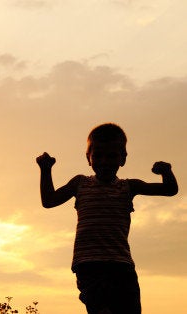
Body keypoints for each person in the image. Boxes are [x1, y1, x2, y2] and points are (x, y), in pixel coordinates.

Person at [36, 123, 178, 314]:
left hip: (122, 265)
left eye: (112, 156)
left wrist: (166, 172)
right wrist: (45, 170)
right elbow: (49, 200)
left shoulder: (129, 187)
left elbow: (169, 190)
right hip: (89, 265)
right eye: (98, 156)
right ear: (89, 158)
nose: (104, 161)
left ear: (123, 159)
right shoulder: (80, 183)